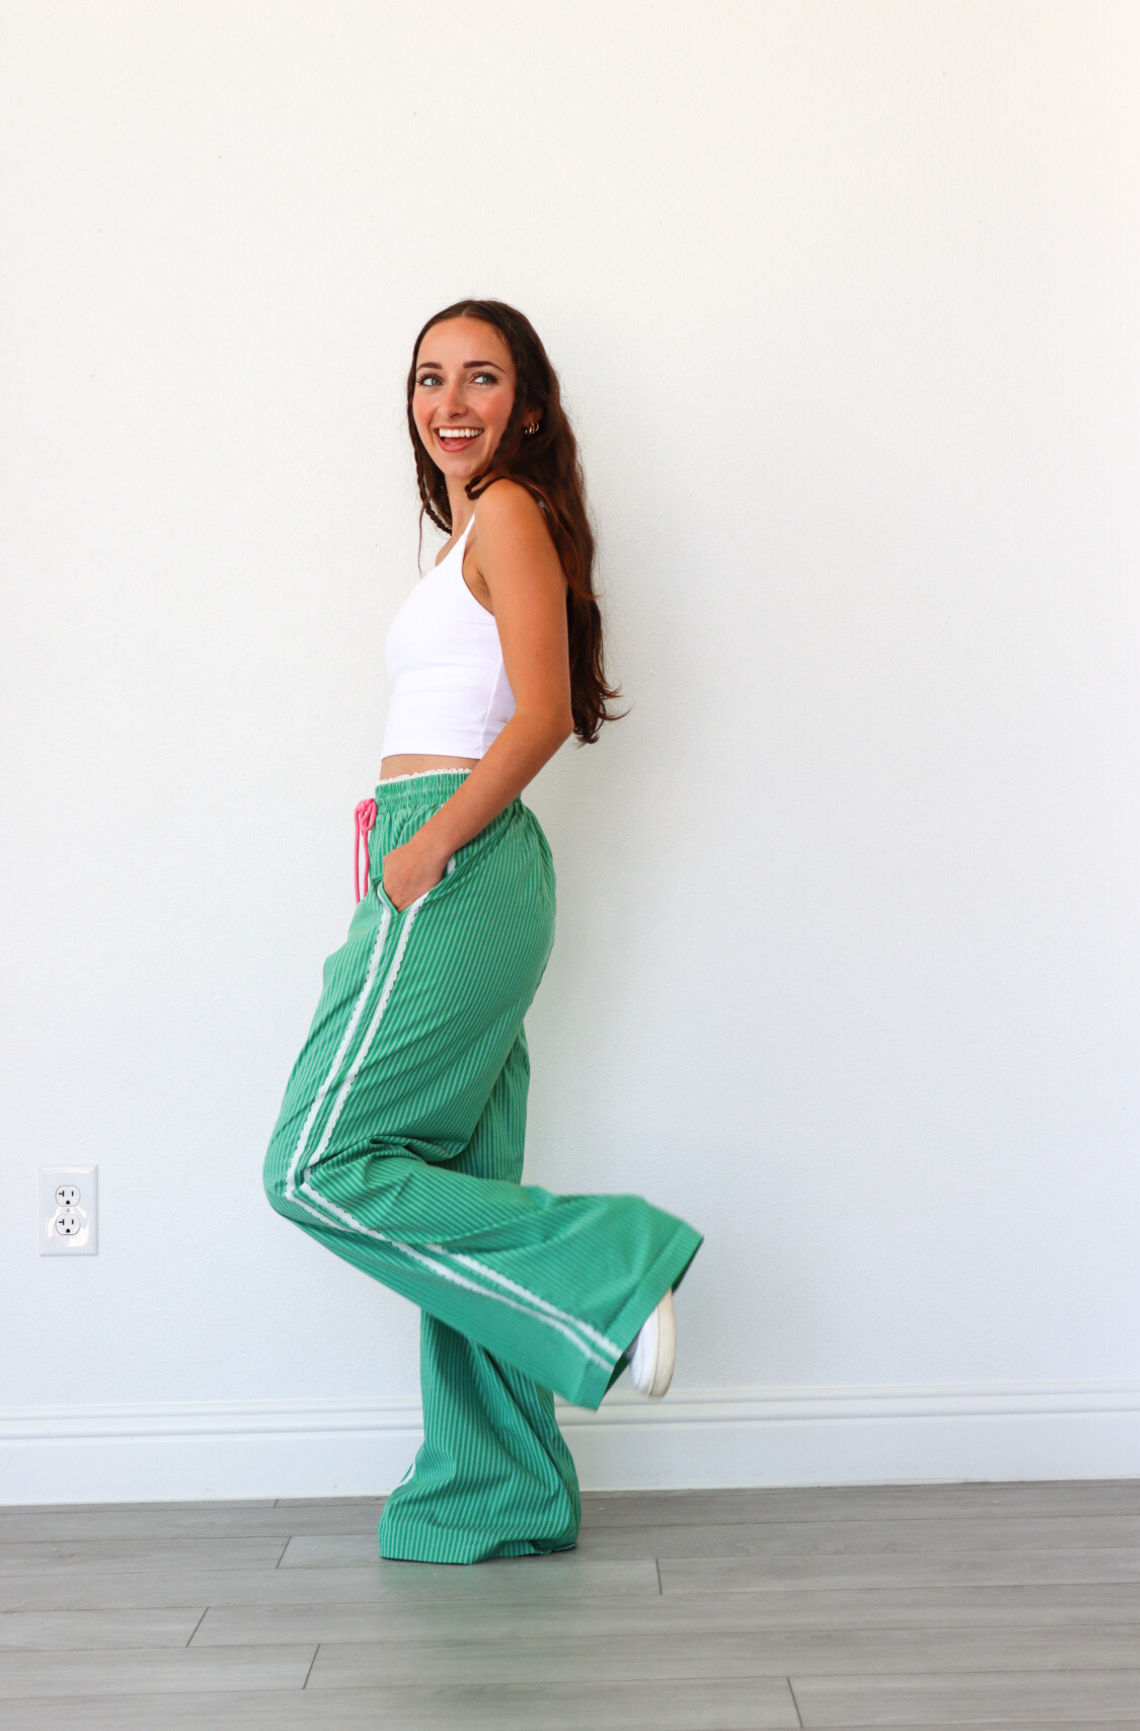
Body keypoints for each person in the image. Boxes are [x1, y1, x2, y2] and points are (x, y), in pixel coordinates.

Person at [263, 299, 703, 1564]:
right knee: (451, 1179)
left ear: (528, 403)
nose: (448, 402)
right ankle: (498, 1482)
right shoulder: (467, 529)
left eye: (480, 378)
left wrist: (428, 840)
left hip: (456, 862)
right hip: (436, 853)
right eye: (428, 379)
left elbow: (543, 713)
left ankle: (614, 1263)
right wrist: (395, 824)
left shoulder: (505, 512)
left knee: (310, 1166)